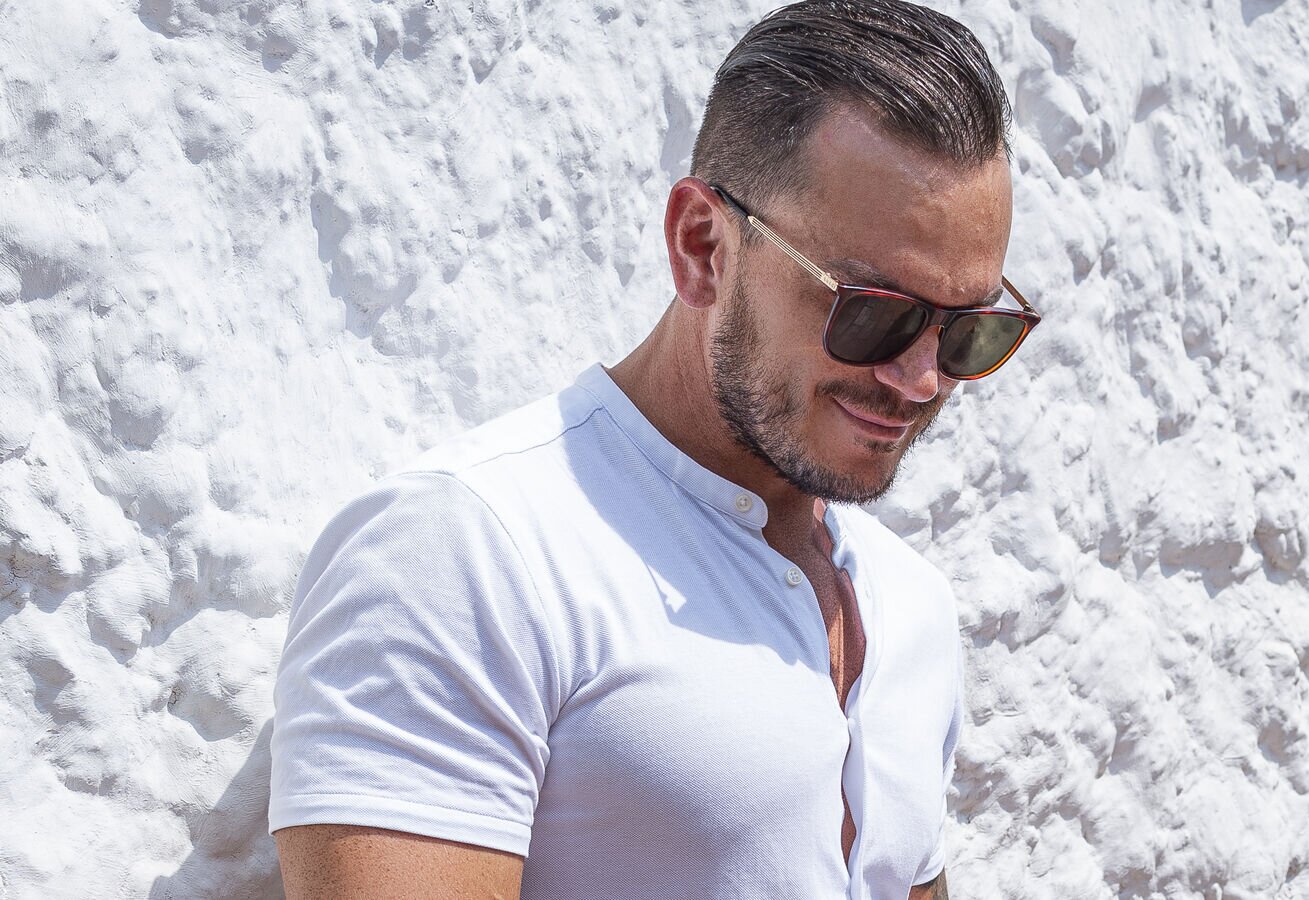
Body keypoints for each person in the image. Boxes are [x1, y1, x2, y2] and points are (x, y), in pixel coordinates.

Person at [268, 1, 1039, 897]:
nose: (922, 379)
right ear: (703, 246)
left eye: (969, 330)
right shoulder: (466, 556)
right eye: (874, 313)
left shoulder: (913, 605)